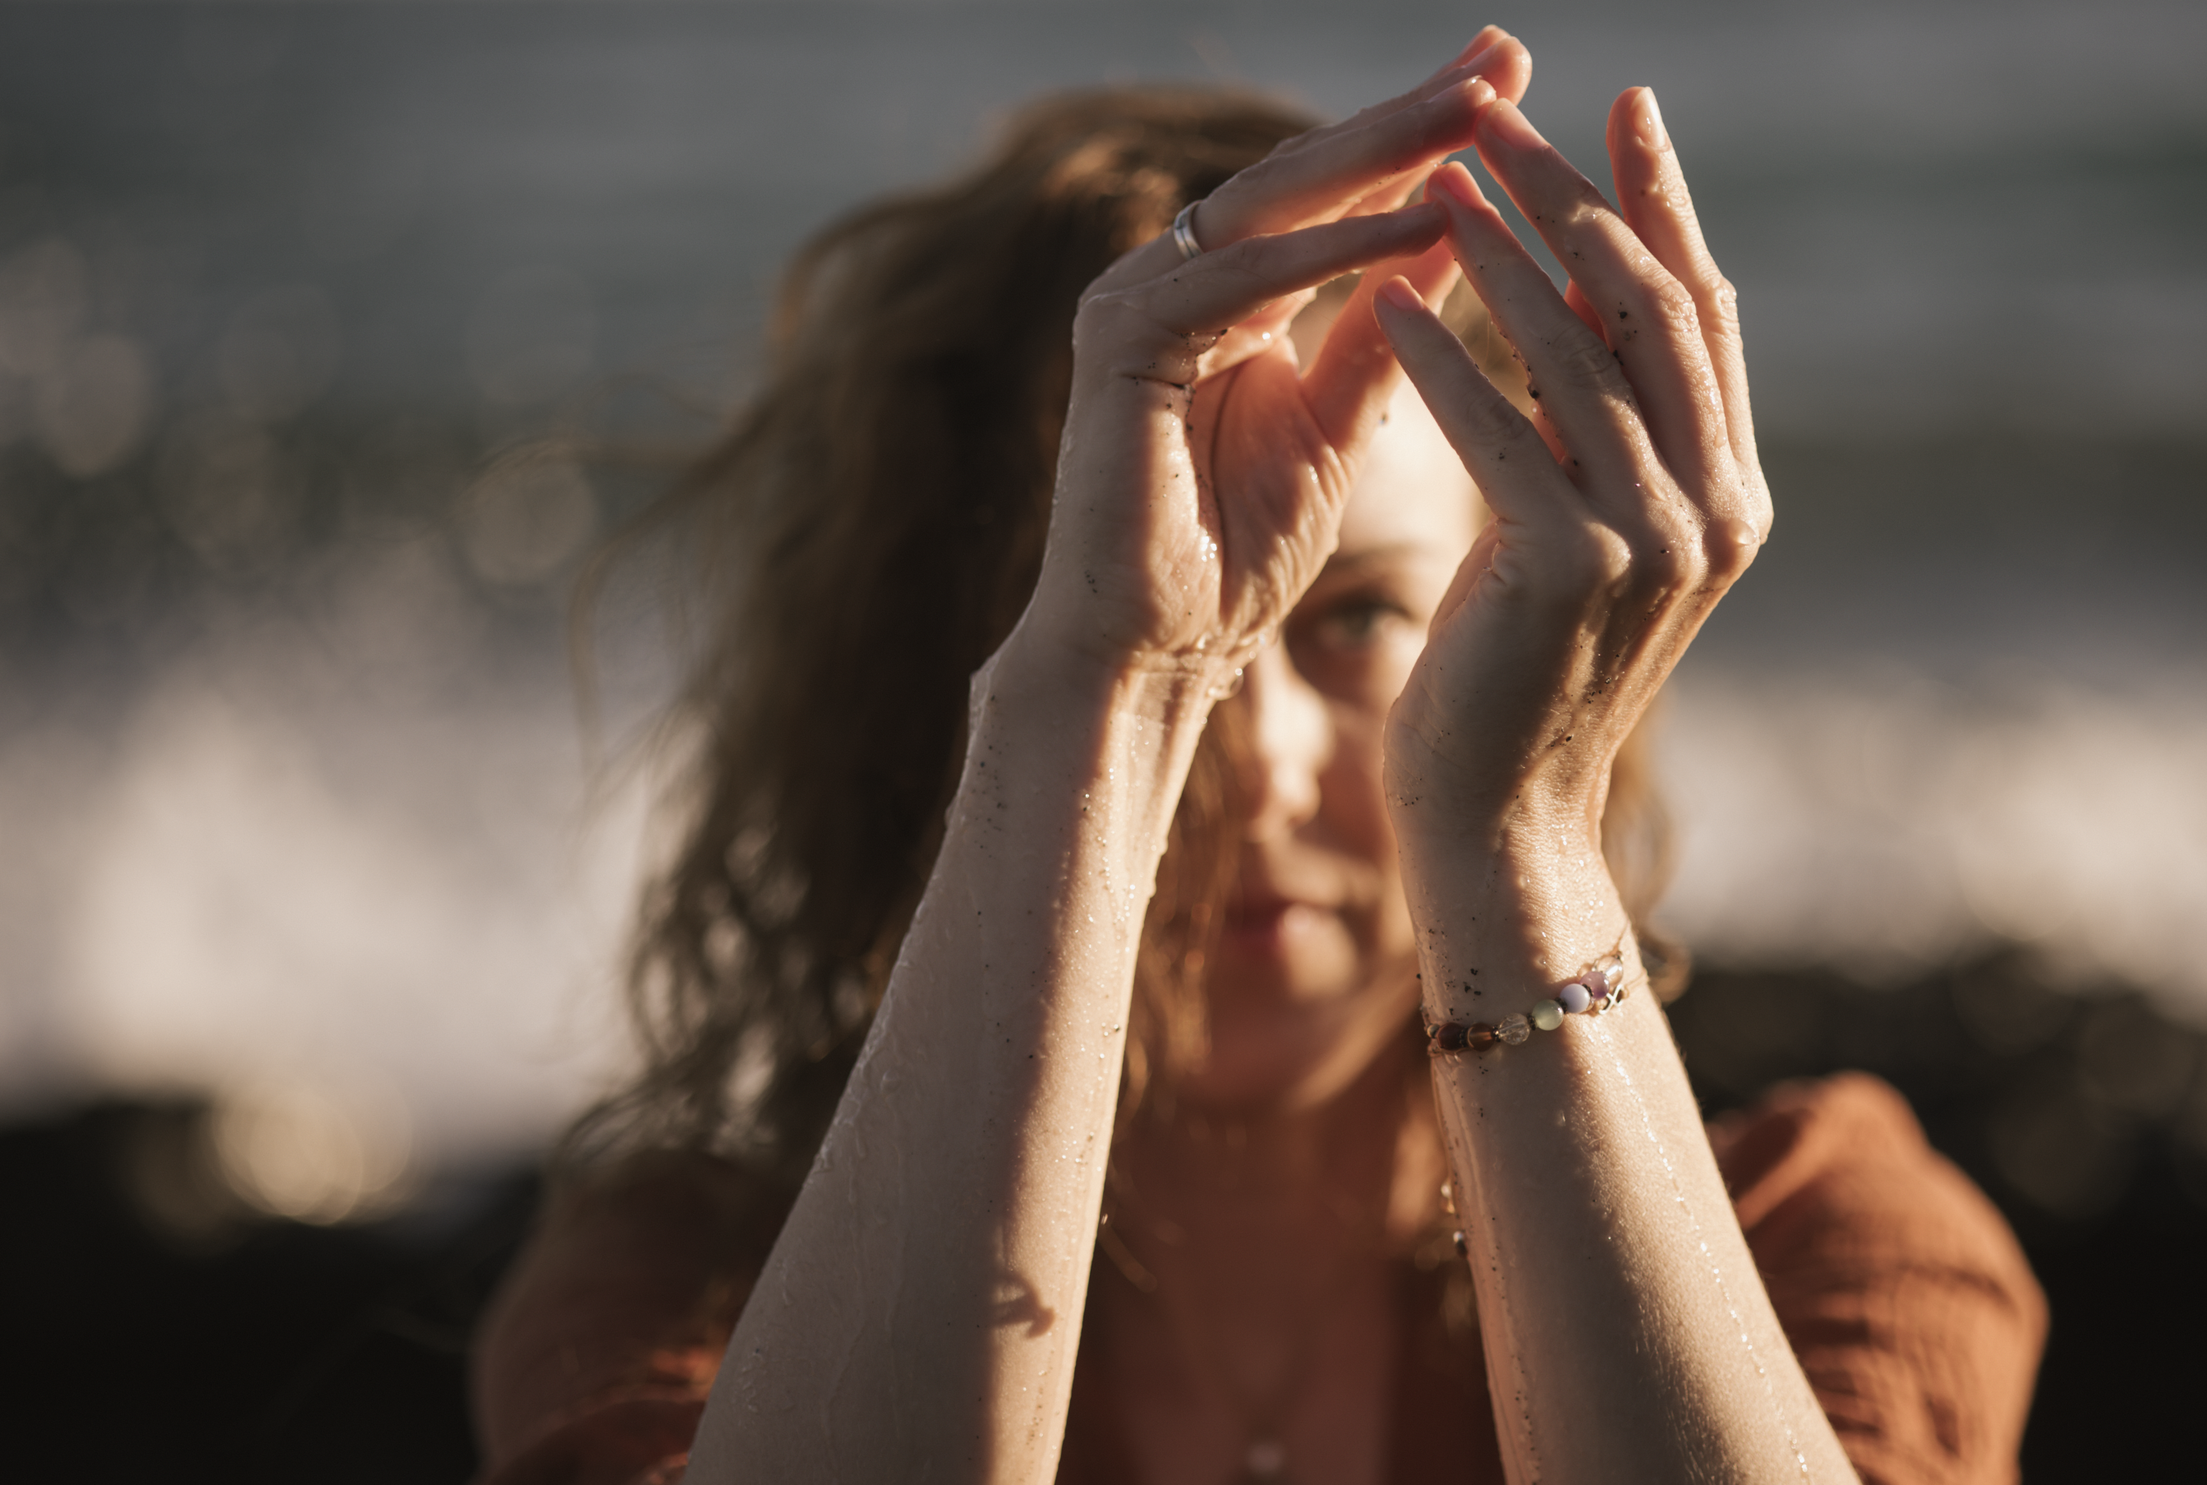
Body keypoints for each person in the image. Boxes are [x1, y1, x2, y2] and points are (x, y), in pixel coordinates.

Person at [472, 28, 2046, 1485]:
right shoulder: (693, 1285)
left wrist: (1517, 834)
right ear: (920, 699)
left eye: (1357, 620)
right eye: (1070, 615)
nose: (1264, 758)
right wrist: (1109, 694)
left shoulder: (1809, 1236)